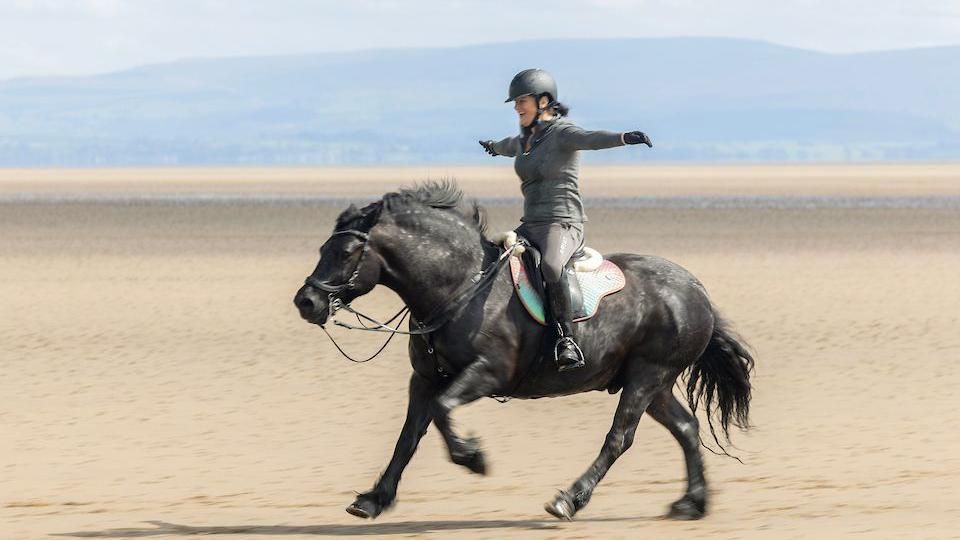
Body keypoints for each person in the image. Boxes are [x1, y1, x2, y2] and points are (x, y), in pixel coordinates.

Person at [479, 68, 652, 372]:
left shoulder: (562, 133)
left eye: (522, 101)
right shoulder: (527, 139)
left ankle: (566, 340)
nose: (517, 107)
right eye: (515, 102)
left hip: (563, 224)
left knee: (550, 265)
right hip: (530, 224)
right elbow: (509, 146)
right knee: (493, 257)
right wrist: (493, 147)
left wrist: (623, 138)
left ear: (544, 101)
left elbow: (592, 138)